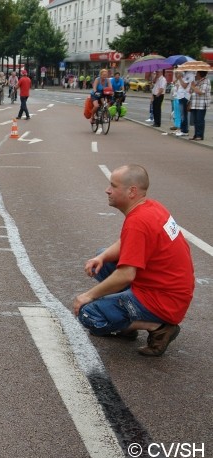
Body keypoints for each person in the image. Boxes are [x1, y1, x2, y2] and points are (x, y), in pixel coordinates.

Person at [73, 164, 194, 357]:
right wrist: (102, 257)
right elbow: (130, 243)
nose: (107, 190)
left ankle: (158, 326)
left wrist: (88, 296)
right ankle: (128, 319)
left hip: (164, 301)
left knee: (89, 314)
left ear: (132, 191)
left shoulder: (138, 222)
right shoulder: (152, 207)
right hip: (170, 291)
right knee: (103, 260)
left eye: (113, 186)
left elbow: (126, 274)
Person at [188, 70, 209, 141]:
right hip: (194, 104)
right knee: (195, 121)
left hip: (201, 104)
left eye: (197, 73)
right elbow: (191, 91)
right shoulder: (197, 81)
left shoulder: (206, 81)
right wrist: (191, 87)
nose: (196, 74)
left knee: (200, 120)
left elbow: (201, 92)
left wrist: (193, 87)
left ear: (200, 73)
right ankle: (196, 135)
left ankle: (200, 136)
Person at [174, 71, 192, 137]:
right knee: (182, 114)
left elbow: (184, 86)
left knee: (184, 115)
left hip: (184, 97)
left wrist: (180, 78)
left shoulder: (190, 75)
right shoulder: (184, 75)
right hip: (180, 96)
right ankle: (182, 129)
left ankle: (185, 131)